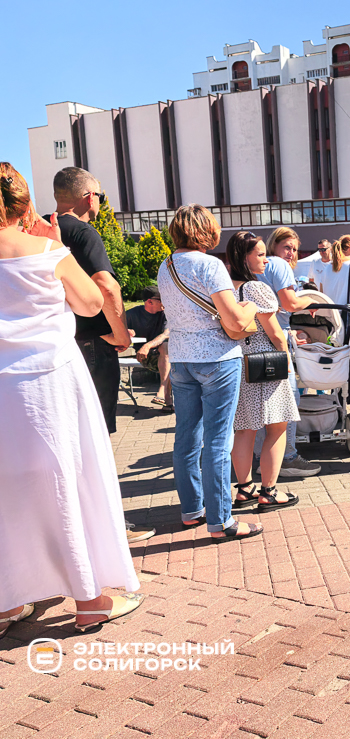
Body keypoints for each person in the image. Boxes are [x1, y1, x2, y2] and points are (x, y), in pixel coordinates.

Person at [0, 163, 143, 637]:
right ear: (23, 205)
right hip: (50, 382)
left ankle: (7, 601)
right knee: (72, 481)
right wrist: (56, 247)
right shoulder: (46, 250)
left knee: (7, 492)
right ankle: (89, 600)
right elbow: (89, 302)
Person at [49, 167, 153, 543]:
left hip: (62, 345)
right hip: (95, 345)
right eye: (100, 196)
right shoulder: (83, 232)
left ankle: (77, 523)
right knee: (94, 436)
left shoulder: (44, 231)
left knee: (70, 436)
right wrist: (122, 332)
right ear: (89, 197)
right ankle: (107, 525)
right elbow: (106, 284)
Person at [158, 205, 263, 538]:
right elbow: (232, 317)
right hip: (218, 358)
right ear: (206, 230)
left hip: (182, 358)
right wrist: (251, 305)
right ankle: (221, 521)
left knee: (187, 436)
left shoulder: (166, 265)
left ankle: (192, 510)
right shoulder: (210, 264)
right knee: (219, 440)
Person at [226, 232, 300, 513]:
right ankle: (269, 492)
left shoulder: (223, 289)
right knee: (277, 426)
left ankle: (244, 489)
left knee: (244, 429)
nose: (266, 260)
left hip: (237, 362)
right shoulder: (256, 289)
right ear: (244, 257)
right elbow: (276, 334)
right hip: (266, 362)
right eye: (259, 254)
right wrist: (287, 362)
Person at [254, 227, 319, 478]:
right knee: (287, 402)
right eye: (287, 247)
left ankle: (263, 457)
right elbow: (289, 303)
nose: (291, 253)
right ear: (274, 246)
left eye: (294, 248)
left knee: (262, 406)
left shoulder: (255, 267)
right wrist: (310, 301)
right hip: (275, 339)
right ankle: (287, 456)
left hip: (251, 341)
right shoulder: (278, 265)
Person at [309, 235, 350, 412]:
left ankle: (342, 398)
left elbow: (321, 293)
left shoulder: (327, 268)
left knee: (337, 359)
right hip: (348, 320)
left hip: (330, 320)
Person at [126, 286, 171, 410]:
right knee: (171, 359)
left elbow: (166, 333)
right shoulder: (131, 315)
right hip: (145, 357)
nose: (165, 302)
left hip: (165, 355)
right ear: (150, 301)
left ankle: (163, 393)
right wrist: (126, 332)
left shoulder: (166, 314)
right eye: (161, 299)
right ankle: (168, 399)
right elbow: (116, 331)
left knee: (166, 347)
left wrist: (147, 345)